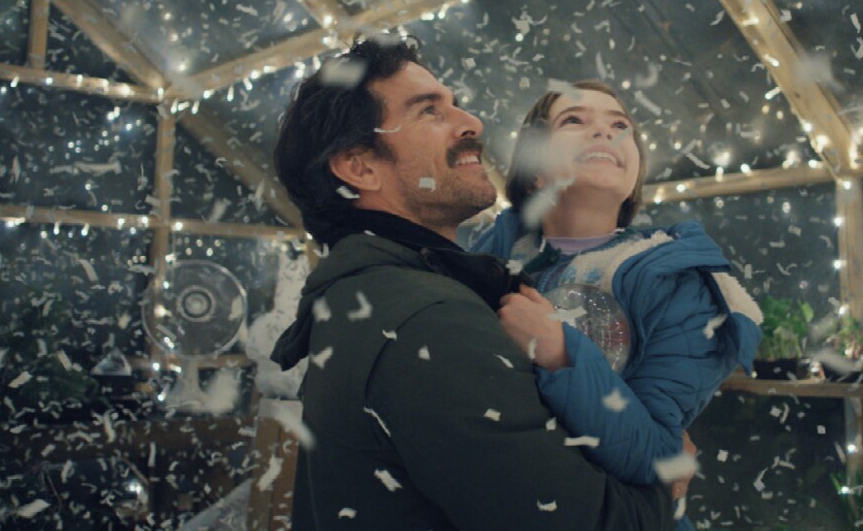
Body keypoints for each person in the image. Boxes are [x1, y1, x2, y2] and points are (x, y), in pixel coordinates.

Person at [269, 38, 682, 530]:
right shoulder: (425, 321)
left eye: (455, 103)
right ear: (360, 167)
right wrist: (666, 484)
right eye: (429, 111)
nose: (472, 122)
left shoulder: (360, 296)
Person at [469, 80, 763, 529]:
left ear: (634, 175)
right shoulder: (478, 263)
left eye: (620, 125)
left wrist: (561, 355)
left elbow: (663, 457)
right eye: (574, 121)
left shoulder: (674, 278)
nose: (606, 133)